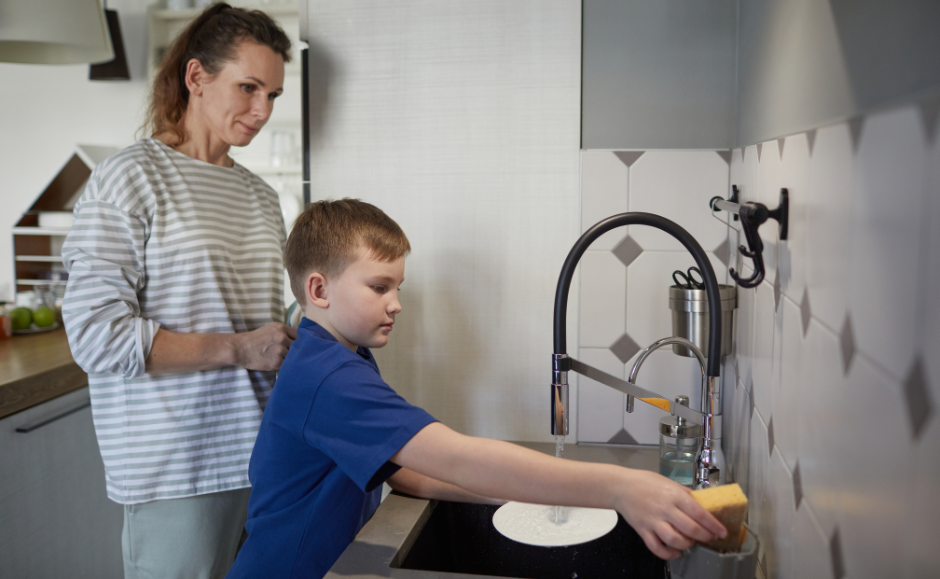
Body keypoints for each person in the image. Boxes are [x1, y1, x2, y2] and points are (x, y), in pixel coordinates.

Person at [226, 199, 727, 579]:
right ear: (318, 290)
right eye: (380, 287)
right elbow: (454, 455)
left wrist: (528, 498)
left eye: (398, 287)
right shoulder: (328, 377)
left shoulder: (340, 356)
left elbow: (409, 474)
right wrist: (620, 487)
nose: (397, 303)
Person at [61, 4, 296, 578]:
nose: (262, 110)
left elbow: (263, 322)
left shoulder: (263, 198)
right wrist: (240, 348)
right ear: (196, 77)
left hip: (263, 460)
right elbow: (96, 338)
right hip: (177, 468)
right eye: (248, 88)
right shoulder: (130, 177)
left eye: (273, 95)